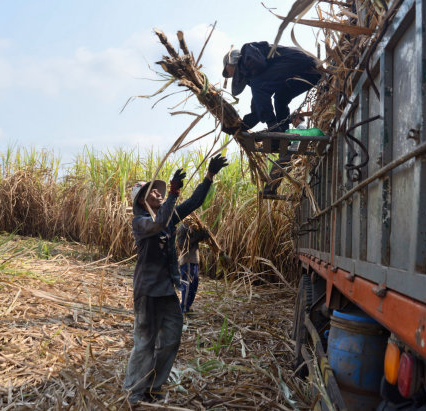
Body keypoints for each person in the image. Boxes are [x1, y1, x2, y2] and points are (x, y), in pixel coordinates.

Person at [123, 154, 229, 406]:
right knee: (145, 343)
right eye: (152, 193)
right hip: (147, 290)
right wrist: (172, 193)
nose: (158, 195)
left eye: (160, 193)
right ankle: (134, 390)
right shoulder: (140, 222)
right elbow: (159, 223)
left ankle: (153, 385)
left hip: (167, 290)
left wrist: (209, 176)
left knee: (171, 339)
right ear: (141, 200)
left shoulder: (169, 217)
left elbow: (194, 201)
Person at [221, 42, 321, 136]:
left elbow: (259, 88)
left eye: (229, 72)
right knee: (280, 99)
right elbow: (258, 102)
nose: (231, 76)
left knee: (258, 86)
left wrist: (270, 124)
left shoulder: (249, 54)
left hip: (301, 62)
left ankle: (274, 130)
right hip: (311, 73)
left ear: (231, 62)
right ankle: (283, 134)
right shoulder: (258, 77)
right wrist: (244, 125)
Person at [176, 218, 210, 314]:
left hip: (194, 261)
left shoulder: (193, 227)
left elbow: (199, 239)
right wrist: (198, 237)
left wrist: (204, 234)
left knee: (194, 285)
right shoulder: (183, 227)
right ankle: (184, 309)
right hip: (187, 261)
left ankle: (188, 306)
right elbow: (182, 245)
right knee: (187, 286)